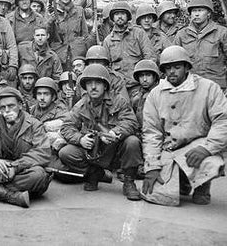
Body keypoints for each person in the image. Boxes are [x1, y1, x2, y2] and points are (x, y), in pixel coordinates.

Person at [142, 46, 227, 206]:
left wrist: (208, 148)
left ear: (187, 67)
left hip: (199, 146)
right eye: (168, 68)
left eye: (177, 67)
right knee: (155, 195)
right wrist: (152, 166)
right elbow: (151, 132)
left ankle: (202, 186)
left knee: (211, 162)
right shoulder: (155, 94)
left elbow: (223, 121)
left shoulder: (209, 88)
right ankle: (183, 182)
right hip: (169, 149)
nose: (172, 71)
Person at [58, 64, 142, 201]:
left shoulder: (119, 101)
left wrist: (116, 132)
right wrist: (80, 139)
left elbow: (131, 122)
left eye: (97, 82)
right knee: (66, 153)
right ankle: (95, 173)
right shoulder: (81, 105)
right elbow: (66, 126)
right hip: (94, 151)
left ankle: (129, 181)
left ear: (105, 85)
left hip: (116, 151)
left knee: (132, 141)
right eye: (89, 83)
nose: (93, 87)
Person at [174, 0, 227, 91]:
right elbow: (173, 62)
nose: (196, 14)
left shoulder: (222, 33)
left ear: (209, 13)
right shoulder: (182, 35)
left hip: (216, 86)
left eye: (200, 10)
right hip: (189, 86)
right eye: (194, 11)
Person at [102, 1, 156, 90]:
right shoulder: (108, 40)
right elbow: (105, 66)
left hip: (139, 84)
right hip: (118, 86)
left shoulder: (139, 33)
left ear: (128, 16)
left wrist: (145, 78)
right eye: (116, 14)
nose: (119, 16)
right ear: (112, 18)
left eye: (122, 13)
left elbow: (150, 57)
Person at [48, 0, 91, 70]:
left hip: (77, 54)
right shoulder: (52, 12)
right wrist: (50, 21)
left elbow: (85, 34)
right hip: (59, 54)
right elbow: (48, 36)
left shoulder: (79, 10)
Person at [29, 77, 68, 145]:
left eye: (46, 94)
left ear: (53, 97)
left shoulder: (60, 110)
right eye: (39, 94)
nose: (42, 98)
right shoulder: (32, 110)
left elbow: (66, 128)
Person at [130, 59, 160, 126]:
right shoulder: (136, 97)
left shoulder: (161, 94)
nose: (144, 79)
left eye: (148, 75)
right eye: (141, 76)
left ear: (154, 77)